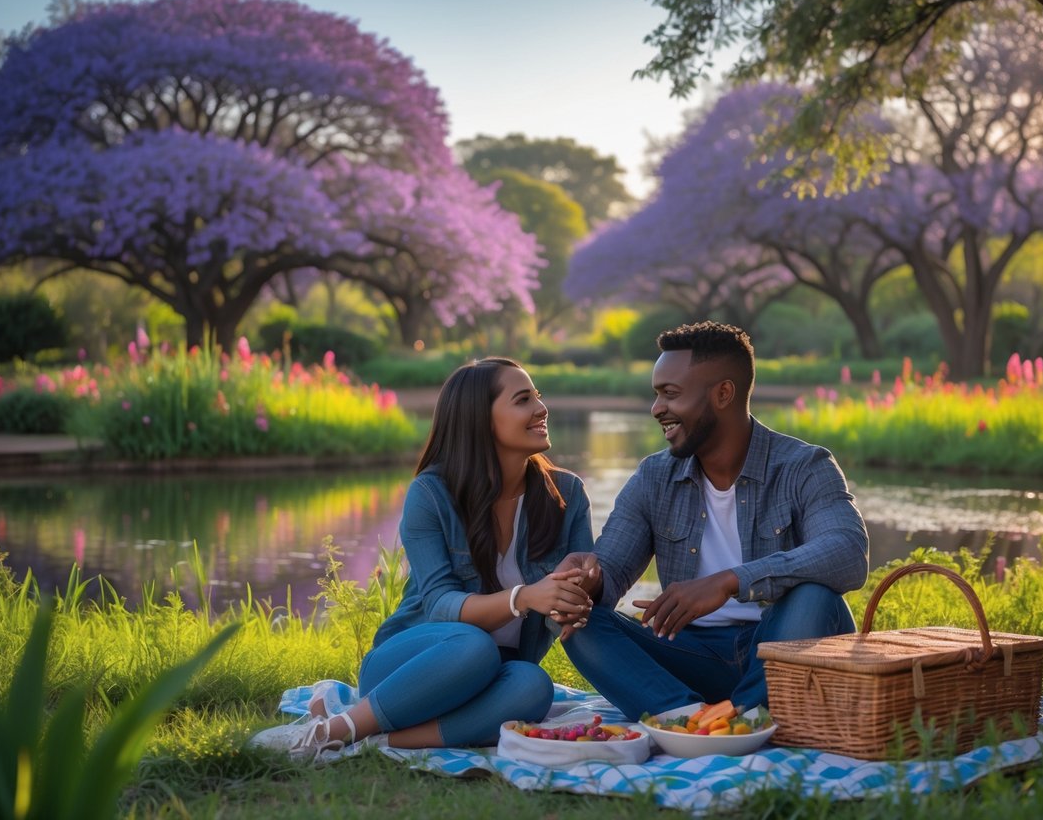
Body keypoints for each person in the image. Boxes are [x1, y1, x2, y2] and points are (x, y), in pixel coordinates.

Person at [251, 357, 595, 758]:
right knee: (474, 645)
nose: (541, 408)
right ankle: (330, 731)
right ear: (480, 419)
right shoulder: (431, 494)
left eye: (537, 396)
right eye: (523, 399)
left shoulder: (567, 496)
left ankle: (374, 741)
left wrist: (581, 589)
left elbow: (575, 602)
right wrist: (524, 597)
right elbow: (440, 604)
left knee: (534, 685)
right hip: (413, 663)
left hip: (499, 671)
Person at [556, 322, 869, 721]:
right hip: (691, 653)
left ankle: (746, 714)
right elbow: (612, 566)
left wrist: (728, 582)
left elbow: (848, 552)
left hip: (780, 647)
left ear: (723, 394)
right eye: (656, 394)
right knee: (582, 621)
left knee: (815, 596)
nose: (656, 409)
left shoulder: (805, 467)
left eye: (670, 394)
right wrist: (587, 580)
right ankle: (687, 717)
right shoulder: (654, 477)